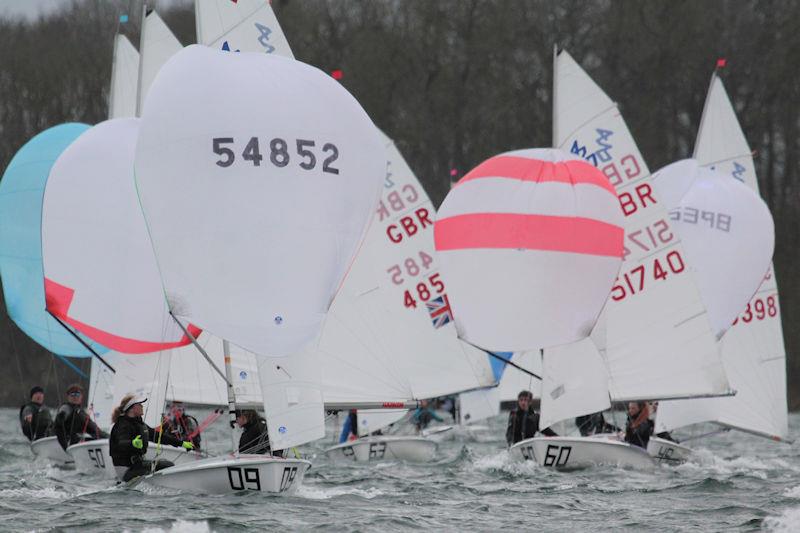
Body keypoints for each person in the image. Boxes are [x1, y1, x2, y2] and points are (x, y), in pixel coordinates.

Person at [109, 394, 194, 482]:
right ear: (132, 408)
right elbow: (120, 442)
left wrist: (181, 443)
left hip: (137, 465)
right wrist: (132, 443)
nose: (142, 406)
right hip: (126, 470)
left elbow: (159, 437)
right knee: (161, 468)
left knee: (167, 465)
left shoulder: (139, 424)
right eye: (139, 404)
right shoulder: (121, 425)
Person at [53, 384, 107, 450]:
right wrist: (66, 447)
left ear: (81, 397)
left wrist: (109, 437)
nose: (75, 397)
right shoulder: (66, 408)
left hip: (78, 444)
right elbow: (60, 422)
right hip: (69, 445)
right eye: (72, 394)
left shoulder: (82, 413)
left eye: (78, 394)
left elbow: (93, 429)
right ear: (68, 397)